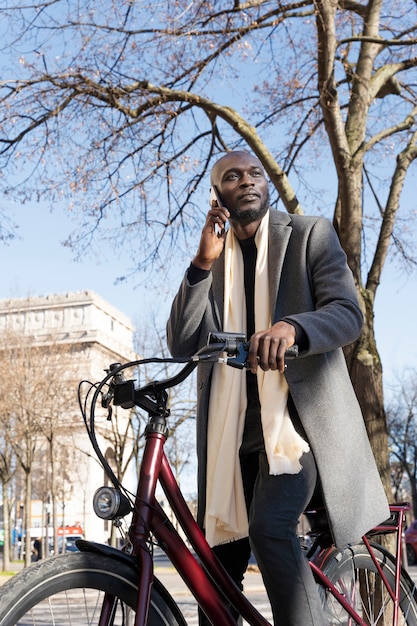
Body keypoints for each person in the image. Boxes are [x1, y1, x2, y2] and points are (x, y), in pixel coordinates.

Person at [166, 151, 390, 625]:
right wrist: (201, 263)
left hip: (297, 431)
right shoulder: (214, 262)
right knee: (217, 575)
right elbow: (184, 342)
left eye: (254, 174)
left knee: (269, 530)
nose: (247, 181)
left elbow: (348, 314)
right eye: (232, 176)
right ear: (218, 196)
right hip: (231, 444)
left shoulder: (310, 235)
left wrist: (292, 328)